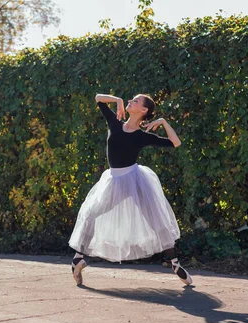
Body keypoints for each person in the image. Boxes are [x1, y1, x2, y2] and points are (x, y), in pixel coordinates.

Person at [68, 93, 193, 286]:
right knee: (90, 214)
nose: (129, 102)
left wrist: (162, 121)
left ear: (143, 110)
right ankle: (78, 258)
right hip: (114, 181)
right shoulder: (115, 122)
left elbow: (175, 143)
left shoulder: (142, 136)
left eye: (135, 101)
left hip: (135, 181)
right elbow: (98, 98)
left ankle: (174, 263)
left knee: (156, 221)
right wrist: (117, 100)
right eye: (130, 100)